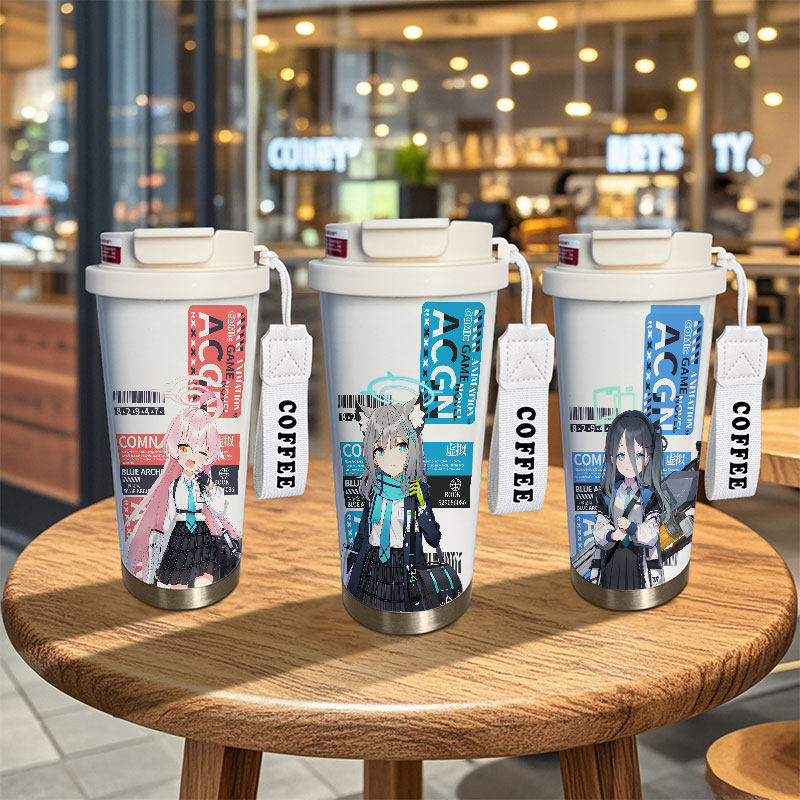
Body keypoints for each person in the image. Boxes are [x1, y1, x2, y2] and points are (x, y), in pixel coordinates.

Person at [589, 411, 670, 590]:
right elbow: (599, 528)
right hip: (612, 559)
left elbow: (652, 534)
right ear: (612, 457)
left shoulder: (649, 496)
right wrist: (611, 535)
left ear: (647, 459)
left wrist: (632, 528)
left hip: (639, 560)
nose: (629, 463)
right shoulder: (607, 494)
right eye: (621, 455)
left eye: (638, 455)